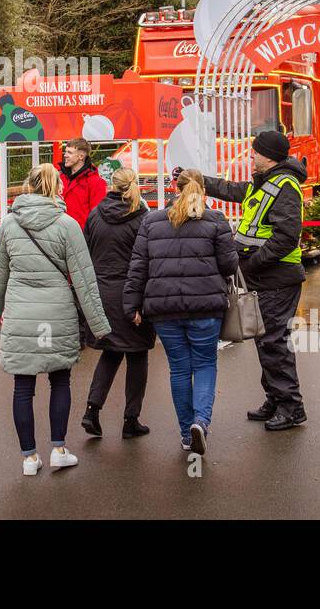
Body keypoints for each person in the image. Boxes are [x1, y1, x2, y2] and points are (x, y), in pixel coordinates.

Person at [0, 163, 111, 475]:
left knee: (22, 387)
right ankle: (58, 449)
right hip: (57, 314)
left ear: (27, 186)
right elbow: (84, 279)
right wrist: (99, 325)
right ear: (56, 188)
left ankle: (29, 458)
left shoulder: (9, 225)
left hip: (21, 314)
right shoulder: (67, 225)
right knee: (60, 380)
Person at [200, 129, 308, 431]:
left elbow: (286, 238)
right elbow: (232, 190)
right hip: (266, 276)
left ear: (269, 156)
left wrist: (252, 265)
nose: (250, 155)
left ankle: (291, 406)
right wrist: (200, 180)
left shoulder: (284, 185)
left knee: (274, 341)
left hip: (276, 276)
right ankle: (276, 398)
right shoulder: (266, 183)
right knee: (266, 339)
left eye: (255, 152)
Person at [124, 169, 237, 456]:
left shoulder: (152, 221)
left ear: (176, 187)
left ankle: (187, 432)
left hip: (164, 309)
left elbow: (138, 266)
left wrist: (132, 304)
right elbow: (229, 266)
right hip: (206, 307)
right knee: (204, 364)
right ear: (203, 189)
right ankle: (201, 422)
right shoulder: (215, 220)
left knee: (179, 368)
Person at [80, 167, 153, 439]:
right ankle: (130, 418)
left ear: (112, 185)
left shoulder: (95, 215)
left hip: (101, 292)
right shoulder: (142, 218)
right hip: (131, 294)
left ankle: (92, 409)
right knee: (137, 354)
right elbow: (146, 261)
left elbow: (86, 254)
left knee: (110, 352)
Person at [59, 137, 107, 228]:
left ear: (81, 156)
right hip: (59, 233)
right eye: (66, 152)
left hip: (82, 235)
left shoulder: (96, 182)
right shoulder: (59, 177)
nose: (65, 155)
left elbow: (98, 215)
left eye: (69, 152)